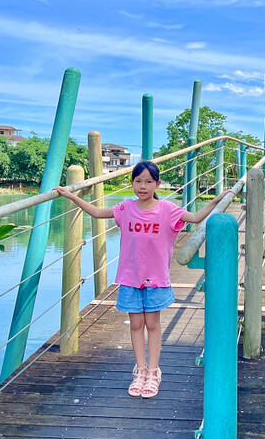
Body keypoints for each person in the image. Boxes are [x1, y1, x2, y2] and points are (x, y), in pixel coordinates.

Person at [54, 161, 230, 399]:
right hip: (130, 279)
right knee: (136, 325)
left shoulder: (168, 209)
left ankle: (154, 371)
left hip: (156, 280)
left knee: (152, 324)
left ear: (157, 184)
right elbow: (96, 212)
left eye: (148, 181)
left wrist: (216, 200)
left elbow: (196, 217)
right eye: (138, 181)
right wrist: (71, 195)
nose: (143, 186)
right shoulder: (126, 209)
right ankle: (140, 371)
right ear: (132, 183)